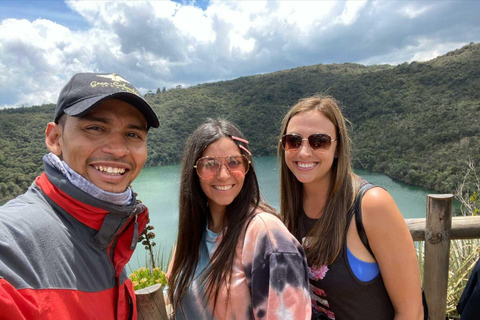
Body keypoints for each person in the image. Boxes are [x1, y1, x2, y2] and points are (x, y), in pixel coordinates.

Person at [0, 72, 160, 319]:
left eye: (133, 134)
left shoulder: (108, 232)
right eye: (95, 128)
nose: (118, 150)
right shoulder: (11, 247)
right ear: (55, 139)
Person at [278, 95, 423, 320]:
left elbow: (411, 312)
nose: (304, 152)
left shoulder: (371, 205)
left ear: (337, 148)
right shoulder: (291, 209)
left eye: (319, 141)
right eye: (293, 141)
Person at [167, 118, 311, 319]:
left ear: (247, 167)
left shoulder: (266, 236)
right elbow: (171, 293)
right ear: (194, 171)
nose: (224, 175)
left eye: (234, 162)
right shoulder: (194, 232)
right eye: (210, 164)